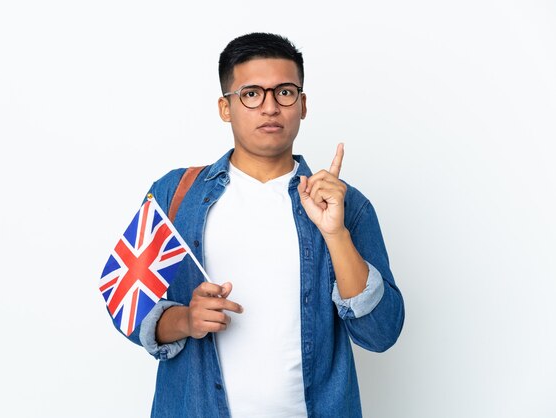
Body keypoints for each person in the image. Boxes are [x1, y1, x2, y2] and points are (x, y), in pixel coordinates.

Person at [109, 32, 405, 417]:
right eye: (251, 93)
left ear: (302, 105)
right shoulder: (174, 194)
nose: (269, 107)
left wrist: (335, 232)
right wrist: (186, 319)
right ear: (225, 107)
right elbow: (126, 302)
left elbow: (381, 333)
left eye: (284, 92)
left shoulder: (346, 205)